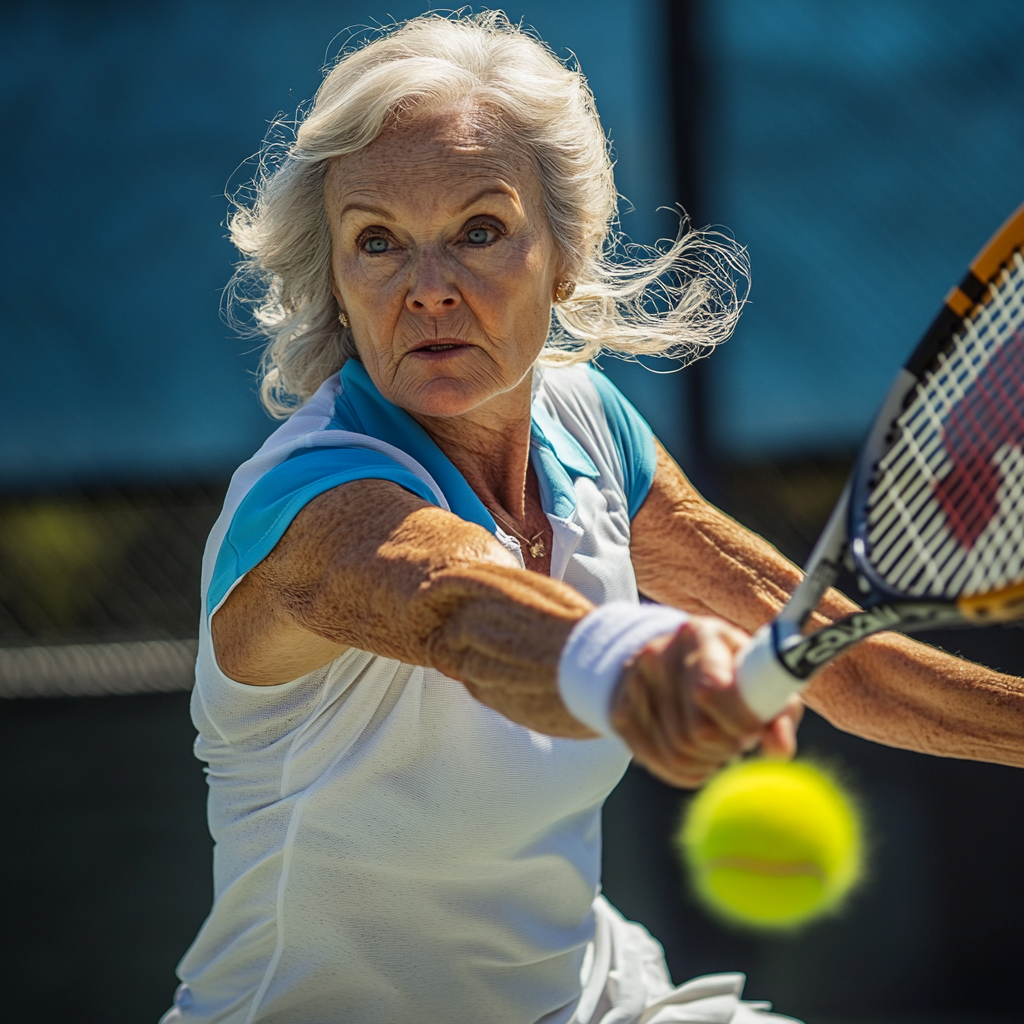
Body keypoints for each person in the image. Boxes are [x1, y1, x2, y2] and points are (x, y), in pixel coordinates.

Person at [163, 12, 1024, 1024]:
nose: (427, 288)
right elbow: (451, 603)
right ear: (338, 281)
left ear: (562, 254)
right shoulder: (312, 503)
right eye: (377, 242)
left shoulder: (586, 423)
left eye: (479, 230)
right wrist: (627, 660)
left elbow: (836, 649)